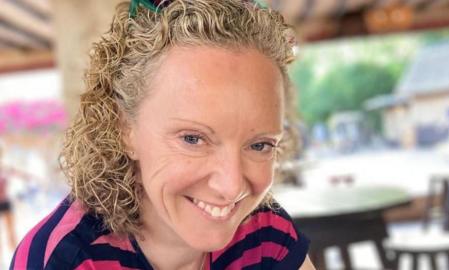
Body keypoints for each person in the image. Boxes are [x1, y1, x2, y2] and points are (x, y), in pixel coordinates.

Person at [10, 0, 315, 269]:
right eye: (193, 139)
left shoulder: (265, 237)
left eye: (260, 145)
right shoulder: (64, 260)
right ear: (124, 129)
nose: (231, 186)